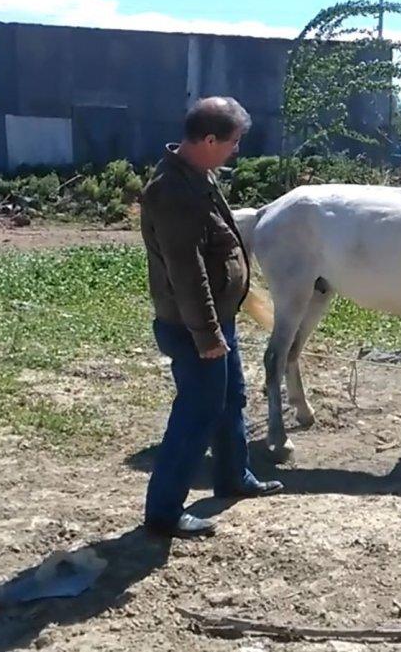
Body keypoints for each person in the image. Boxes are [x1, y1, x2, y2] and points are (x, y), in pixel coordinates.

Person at [139, 96, 283, 538]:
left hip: (217, 320)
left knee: (230, 399)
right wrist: (206, 335)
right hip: (193, 326)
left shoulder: (196, 175)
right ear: (207, 139)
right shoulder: (172, 192)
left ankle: (233, 476)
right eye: (233, 141)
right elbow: (187, 271)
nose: (236, 150)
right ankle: (163, 512)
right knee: (197, 412)